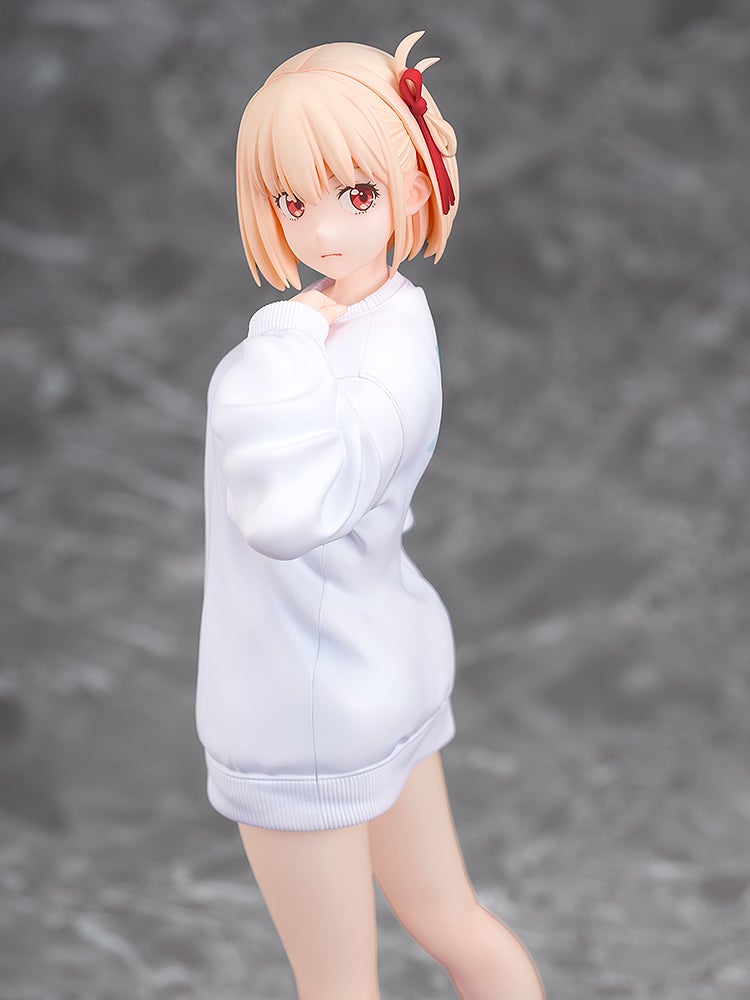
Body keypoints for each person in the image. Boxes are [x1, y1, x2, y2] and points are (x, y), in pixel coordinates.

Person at [195, 30, 546, 1000]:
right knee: (451, 921)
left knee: (340, 984)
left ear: (413, 183)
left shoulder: (345, 351)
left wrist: (279, 341)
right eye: (291, 201)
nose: (322, 230)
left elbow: (287, 509)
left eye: (356, 195)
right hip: (374, 663)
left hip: (301, 707)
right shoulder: (378, 320)